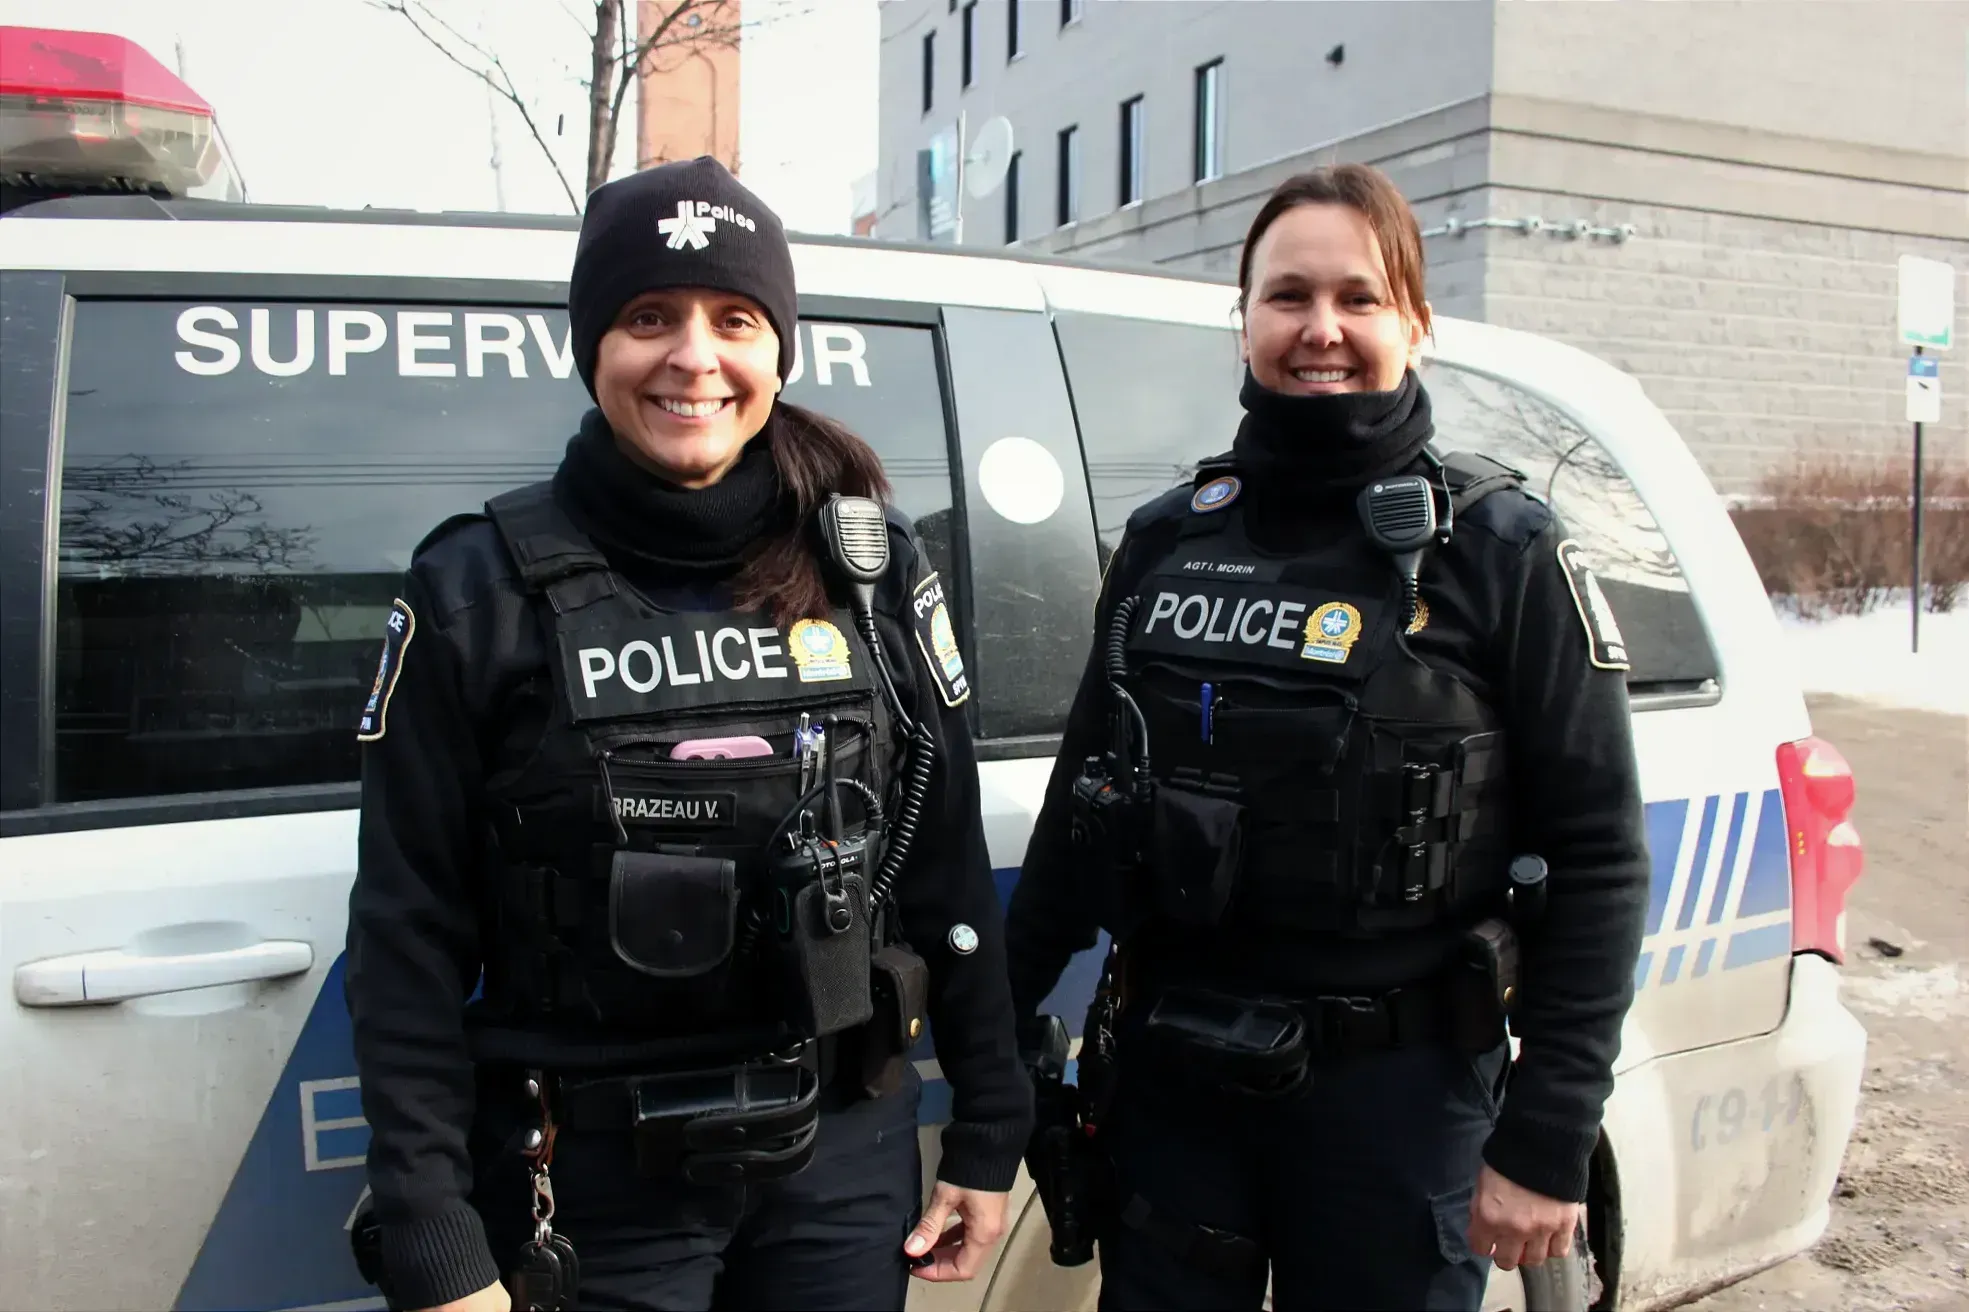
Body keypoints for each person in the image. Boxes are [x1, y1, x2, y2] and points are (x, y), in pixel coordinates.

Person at [346, 156, 1030, 1312]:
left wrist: (988, 1123)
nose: (694, 357)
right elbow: (406, 932)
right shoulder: (477, 587)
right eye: (648, 317)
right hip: (585, 1176)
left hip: (841, 1157)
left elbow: (947, 864)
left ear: (779, 350)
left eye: (736, 319)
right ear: (593, 346)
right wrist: (430, 1225)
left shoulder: (868, 567)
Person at [1004, 163, 1650, 1312]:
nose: (1321, 330)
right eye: (1287, 296)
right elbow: (1079, 808)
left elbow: (1598, 854)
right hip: (1176, 1078)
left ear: (1415, 322)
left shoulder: (1501, 552)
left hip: (1395, 1097)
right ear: (1243, 319)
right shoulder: (1166, 540)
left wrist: (1549, 1132)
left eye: (1358, 298)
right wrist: (993, 1035)